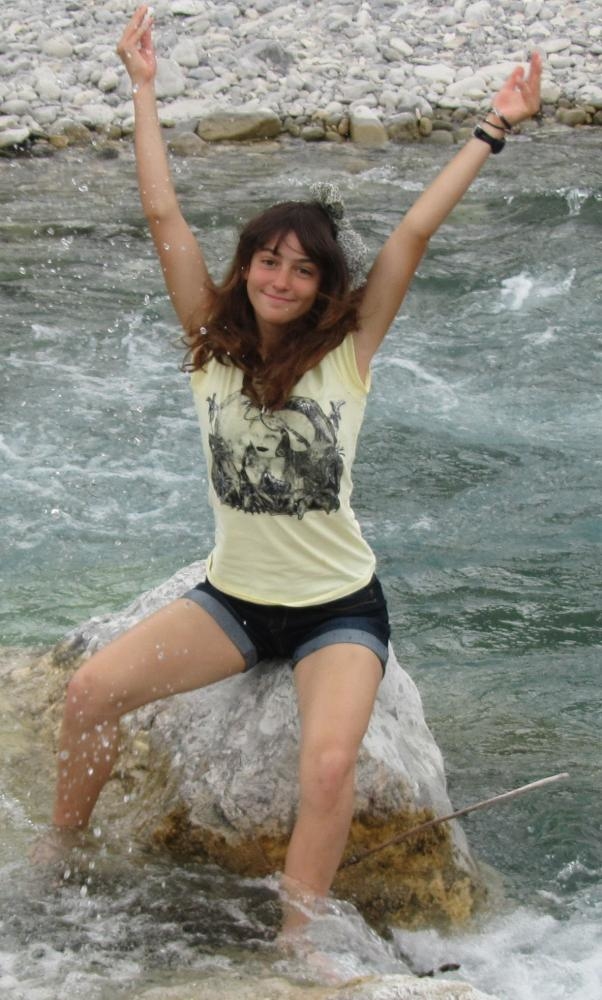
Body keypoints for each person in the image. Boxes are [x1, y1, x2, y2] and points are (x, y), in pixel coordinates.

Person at [38, 4, 542, 936]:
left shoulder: (348, 354)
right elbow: (162, 213)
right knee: (89, 692)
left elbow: (412, 236)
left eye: (302, 270)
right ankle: (61, 851)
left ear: (322, 288)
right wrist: (142, 88)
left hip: (336, 610)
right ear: (246, 268)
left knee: (328, 765)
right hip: (234, 604)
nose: (280, 279)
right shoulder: (210, 346)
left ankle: (298, 941)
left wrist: (494, 126)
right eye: (267, 262)